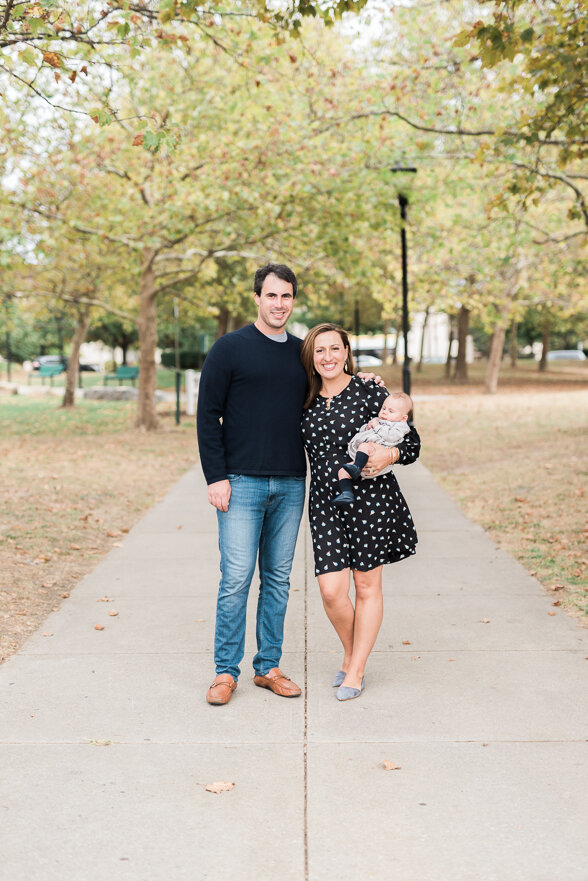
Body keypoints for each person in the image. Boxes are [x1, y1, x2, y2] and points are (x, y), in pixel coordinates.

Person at [196, 263, 307, 706]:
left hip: (291, 482)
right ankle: (226, 672)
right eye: (272, 295)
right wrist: (216, 476)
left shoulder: (302, 353)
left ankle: (269, 667)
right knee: (236, 579)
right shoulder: (229, 349)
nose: (279, 304)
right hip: (239, 482)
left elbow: (335, 387)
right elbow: (208, 416)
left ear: (293, 300)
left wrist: (372, 386)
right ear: (257, 298)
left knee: (278, 580)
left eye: (287, 296)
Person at [300, 323, 420, 701]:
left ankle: (356, 669)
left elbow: (412, 441)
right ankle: (353, 653)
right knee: (332, 590)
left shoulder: (370, 390)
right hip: (325, 501)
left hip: (371, 500)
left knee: (367, 586)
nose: (328, 357)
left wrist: (391, 453)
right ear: (311, 357)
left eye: (335, 349)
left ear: (347, 353)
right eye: (320, 351)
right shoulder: (303, 395)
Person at [333, 392, 412, 506]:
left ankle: (356, 468)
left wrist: (377, 427)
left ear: (403, 417)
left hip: (376, 459)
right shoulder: (379, 420)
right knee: (342, 472)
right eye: (384, 408)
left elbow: (391, 436)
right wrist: (367, 427)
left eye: (391, 411)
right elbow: (362, 432)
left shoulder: (400, 426)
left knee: (364, 446)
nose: (385, 412)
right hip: (363, 458)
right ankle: (347, 493)